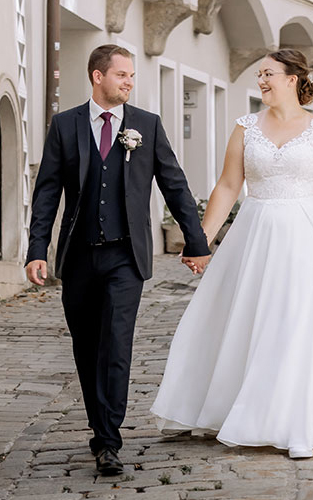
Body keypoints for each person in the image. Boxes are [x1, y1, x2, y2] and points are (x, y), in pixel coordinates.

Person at [150, 49, 313, 459]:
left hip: (305, 235)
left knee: (298, 321)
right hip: (255, 233)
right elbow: (228, 186)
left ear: (292, 79)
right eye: (259, 75)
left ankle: (296, 422)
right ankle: (245, 408)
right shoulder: (245, 127)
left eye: (268, 74)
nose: (262, 81)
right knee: (250, 319)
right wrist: (202, 241)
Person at [25, 44, 211, 476]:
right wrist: (37, 251)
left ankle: (109, 440)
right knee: (86, 347)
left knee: (116, 346)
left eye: (132, 76)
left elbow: (174, 185)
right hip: (78, 258)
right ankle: (99, 425)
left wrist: (196, 240)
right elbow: (47, 193)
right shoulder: (65, 125)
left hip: (126, 257)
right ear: (97, 76)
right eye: (122, 75)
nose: (129, 82)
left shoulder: (146, 125)